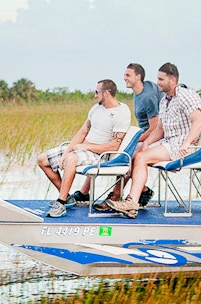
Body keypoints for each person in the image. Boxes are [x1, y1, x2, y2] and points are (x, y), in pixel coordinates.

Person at [105, 62, 201, 219]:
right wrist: (146, 143)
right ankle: (125, 196)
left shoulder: (186, 95)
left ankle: (132, 202)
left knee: (141, 157)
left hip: (181, 145)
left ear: (172, 80)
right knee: (134, 152)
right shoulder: (165, 100)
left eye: (161, 79)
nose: (157, 82)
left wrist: (187, 143)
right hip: (168, 142)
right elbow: (159, 129)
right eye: (157, 79)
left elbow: (199, 121)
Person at [37, 79, 131, 217]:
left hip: (99, 153)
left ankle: (61, 202)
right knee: (42, 160)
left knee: (71, 159)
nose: (95, 95)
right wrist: (68, 150)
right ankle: (67, 198)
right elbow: (83, 131)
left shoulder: (121, 112)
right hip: (83, 149)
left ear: (105, 93)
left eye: (96, 92)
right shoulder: (96, 108)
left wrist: (86, 146)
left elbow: (115, 145)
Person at [93, 63, 161, 211]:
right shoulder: (143, 89)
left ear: (138, 77)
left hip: (158, 136)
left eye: (128, 75)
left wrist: (133, 140)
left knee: (131, 153)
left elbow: (154, 128)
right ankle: (142, 191)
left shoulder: (147, 97)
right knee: (127, 150)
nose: (124, 78)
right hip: (147, 134)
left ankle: (117, 195)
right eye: (124, 75)